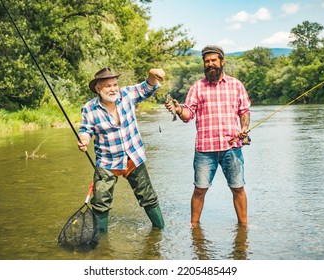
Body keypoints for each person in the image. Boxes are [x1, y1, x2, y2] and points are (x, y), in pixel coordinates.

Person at [165, 45, 251, 227]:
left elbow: (244, 111)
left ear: (222, 61)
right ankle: (194, 227)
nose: (210, 64)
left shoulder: (236, 85)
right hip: (205, 150)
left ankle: (244, 227)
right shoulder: (197, 87)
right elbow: (188, 115)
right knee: (199, 190)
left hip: (232, 147)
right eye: (206, 61)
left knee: (238, 188)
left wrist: (244, 127)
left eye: (213, 60)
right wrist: (178, 109)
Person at [78, 66, 166, 232]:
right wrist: (83, 141)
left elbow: (147, 87)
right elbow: (85, 130)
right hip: (107, 161)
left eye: (114, 84)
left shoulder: (127, 95)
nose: (113, 89)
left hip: (133, 156)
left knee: (148, 196)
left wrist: (152, 74)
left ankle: (160, 230)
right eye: (108, 86)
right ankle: (101, 242)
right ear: (98, 89)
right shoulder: (89, 108)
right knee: (100, 201)